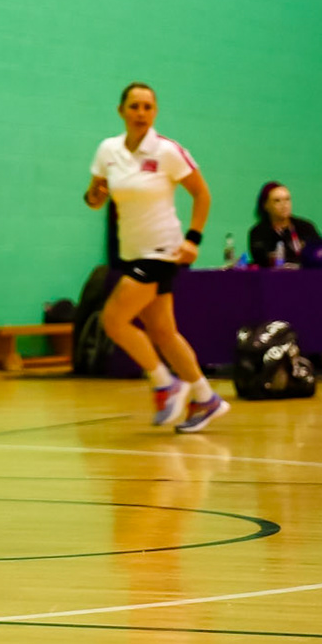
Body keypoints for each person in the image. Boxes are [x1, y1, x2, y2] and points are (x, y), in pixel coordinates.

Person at [84, 83, 228, 433]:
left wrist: (193, 239)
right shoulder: (108, 150)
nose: (141, 113)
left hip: (162, 250)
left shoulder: (167, 151)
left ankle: (165, 383)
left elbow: (202, 194)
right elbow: (94, 199)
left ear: (155, 112)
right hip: (131, 250)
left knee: (113, 319)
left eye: (148, 107)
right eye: (134, 106)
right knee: (163, 331)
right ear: (121, 111)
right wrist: (94, 194)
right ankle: (206, 396)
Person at [246, 182, 318, 267]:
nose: (284, 205)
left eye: (287, 199)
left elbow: (320, 254)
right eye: (277, 201)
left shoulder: (305, 228)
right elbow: (261, 262)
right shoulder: (258, 233)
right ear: (265, 205)